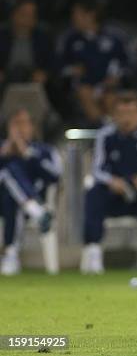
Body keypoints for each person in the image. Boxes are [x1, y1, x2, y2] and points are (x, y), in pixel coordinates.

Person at [81, 92, 137, 274]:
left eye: (131, 113)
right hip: (116, 196)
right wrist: (111, 181)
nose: (126, 118)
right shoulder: (106, 136)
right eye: (121, 113)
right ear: (114, 115)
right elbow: (96, 170)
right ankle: (93, 251)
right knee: (93, 193)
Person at [0, 108, 60, 275]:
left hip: (24, 201)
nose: (20, 128)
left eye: (24, 123)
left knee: (12, 198)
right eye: (16, 124)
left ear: (32, 127)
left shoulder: (44, 150)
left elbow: (55, 176)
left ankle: (10, 254)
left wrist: (27, 154)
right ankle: (37, 212)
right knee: (7, 173)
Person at [57, 0, 129, 126]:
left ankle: (112, 129)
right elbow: (60, 66)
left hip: (109, 85)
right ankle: (103, 128)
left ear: (90, 15)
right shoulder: (70, 40)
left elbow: (127, 64)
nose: (73, 18)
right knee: (85, 92)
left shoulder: (114, 37)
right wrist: (72, 70)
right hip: (82, 86)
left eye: (77, 14)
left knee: (110, 97)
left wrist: (117, 77)